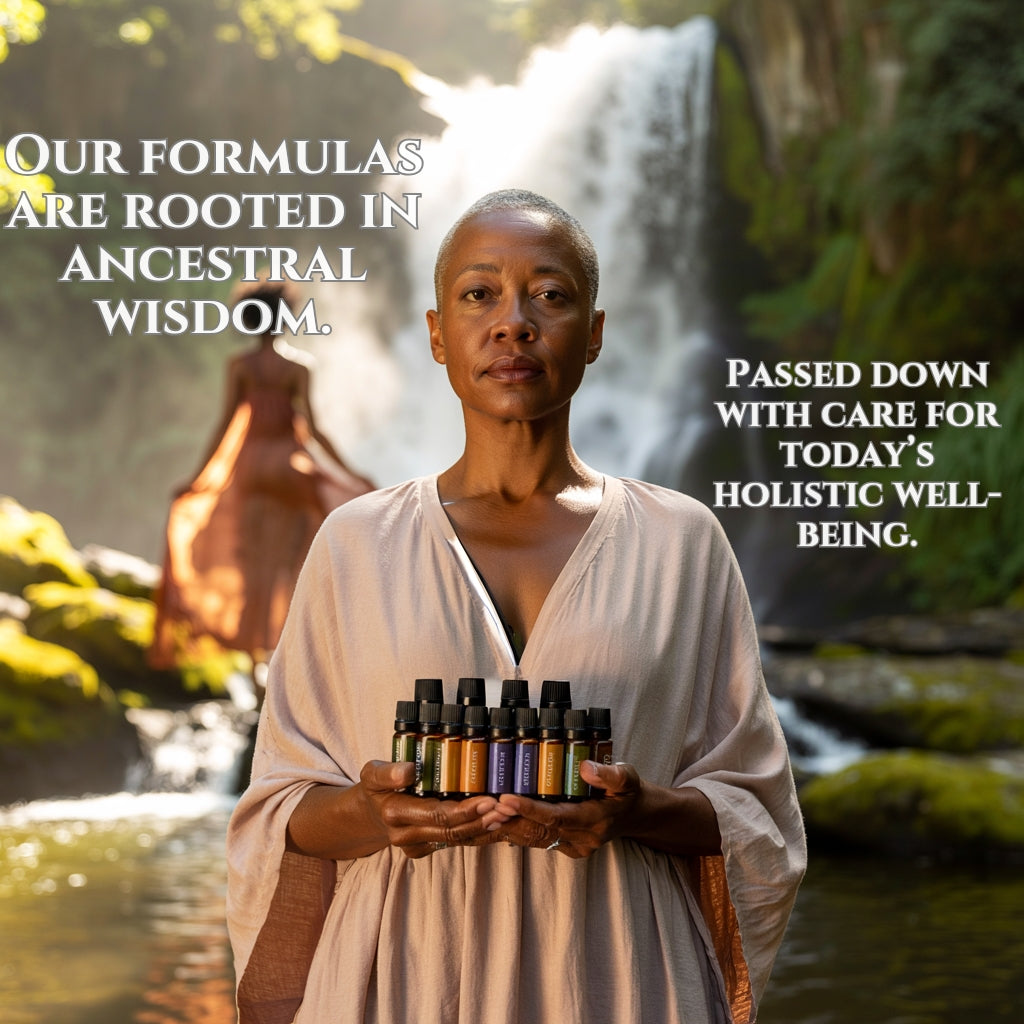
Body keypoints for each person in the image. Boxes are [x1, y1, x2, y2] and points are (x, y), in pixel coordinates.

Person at [225, 190, 806, 1024]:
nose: (513, 323)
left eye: (550, 294)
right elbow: (279, 807)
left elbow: (757, 809)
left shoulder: (683, 541)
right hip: (405, 972)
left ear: (594, 333)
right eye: (479, 294)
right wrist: (372, 810)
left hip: (619, 969)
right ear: (436, 334)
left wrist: (637, 809)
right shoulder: (355, 543)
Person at [149, 276, 373, 677]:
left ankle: (255, 664)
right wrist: (351, 474)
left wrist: (196, 479)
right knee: (294, 562)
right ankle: (285, 654)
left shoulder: (241, 366)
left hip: (251, 470)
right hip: (290, 468)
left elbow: (224, 425)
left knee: (252, 564)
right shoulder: (298, 367)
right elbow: (315, 428)